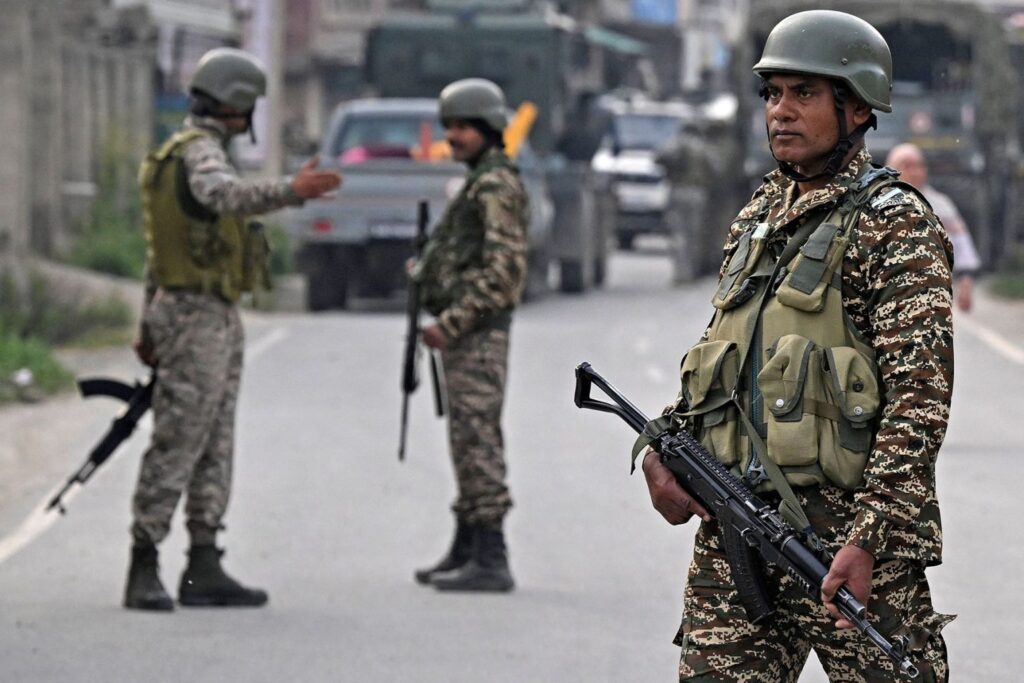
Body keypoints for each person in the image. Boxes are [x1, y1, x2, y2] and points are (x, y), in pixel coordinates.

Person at [639, 10, 955, 681]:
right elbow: (726, 358)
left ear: (858, 107)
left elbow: (919, 402)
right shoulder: (758, 215)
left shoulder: (894, 224)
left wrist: (870, 537)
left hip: (847, 544)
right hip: (736, 531)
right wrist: (661, 447)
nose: (780, 111)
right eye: (772, 93)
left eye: (804, 93)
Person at [125, 47, 341, 611]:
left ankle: (204, 563)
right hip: (193, 315)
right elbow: (222, 196)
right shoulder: (200, 153)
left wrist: (147, 321)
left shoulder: (183, 151)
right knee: (180, 439)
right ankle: (144, 560)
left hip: (206, 311)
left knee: (214, 440)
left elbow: (161, 252)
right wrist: (290, 190)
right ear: (234, 105)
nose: (250, 119)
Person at [409, 78, 529, 593]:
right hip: (466, 336)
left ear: (488, 128)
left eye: (463, 127)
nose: (453, 137)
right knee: (464, 438)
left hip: (478, 336)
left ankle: (491, 556)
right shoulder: (480, 181)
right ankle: (466, 544)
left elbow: (504, 271)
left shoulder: (496, 185)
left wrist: (451, 322)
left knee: (478, 440)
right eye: (449, 127)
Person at [886, 142, 982, 311]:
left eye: (919, 165)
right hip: (891, 298)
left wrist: (966, 281)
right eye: (907, 166)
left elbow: (960, 241)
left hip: (933, 297)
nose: (915, 171)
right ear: (892, 169)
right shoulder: (880, 204)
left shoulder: (941, 205)